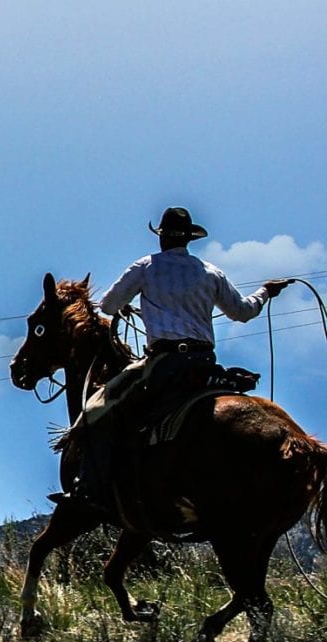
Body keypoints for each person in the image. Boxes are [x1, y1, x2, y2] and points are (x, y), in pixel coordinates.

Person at [52, 206, 293, 509]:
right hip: (205, 363)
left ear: (161, 237)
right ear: (189, 239)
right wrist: (265, 292)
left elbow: (109, 306)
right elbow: (242, 312)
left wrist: (133, 302)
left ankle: (87, 491)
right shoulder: (210, 272)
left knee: (97, 408)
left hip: (164, 364)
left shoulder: (145, 267)